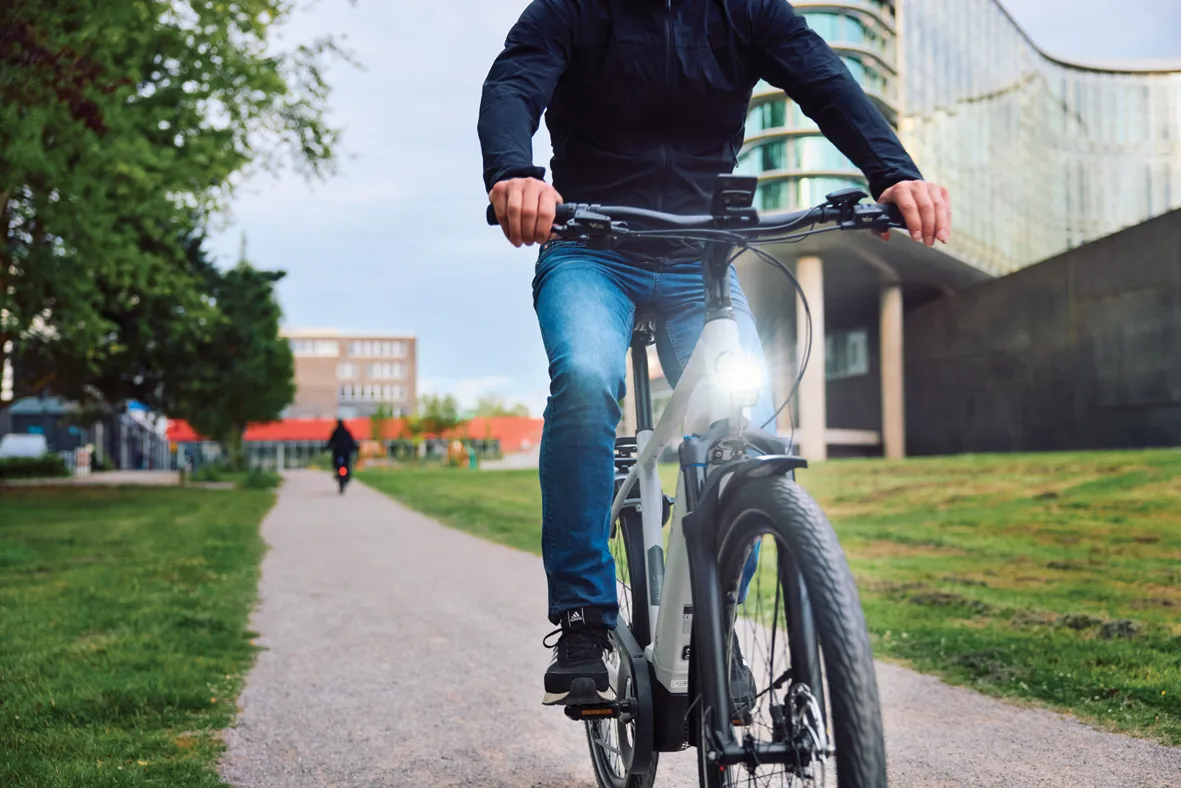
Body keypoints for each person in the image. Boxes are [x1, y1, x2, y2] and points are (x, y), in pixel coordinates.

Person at [478, 0, 952, 707]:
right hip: (587, 248)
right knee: (584, 379)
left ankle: (713, 618)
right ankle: (582, 619)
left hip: (698, 260)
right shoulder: (571, 7)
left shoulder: (748, 9)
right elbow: (514, 83)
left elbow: (825, 81)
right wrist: (515, 171)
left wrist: (893, 172)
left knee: (747, 431)